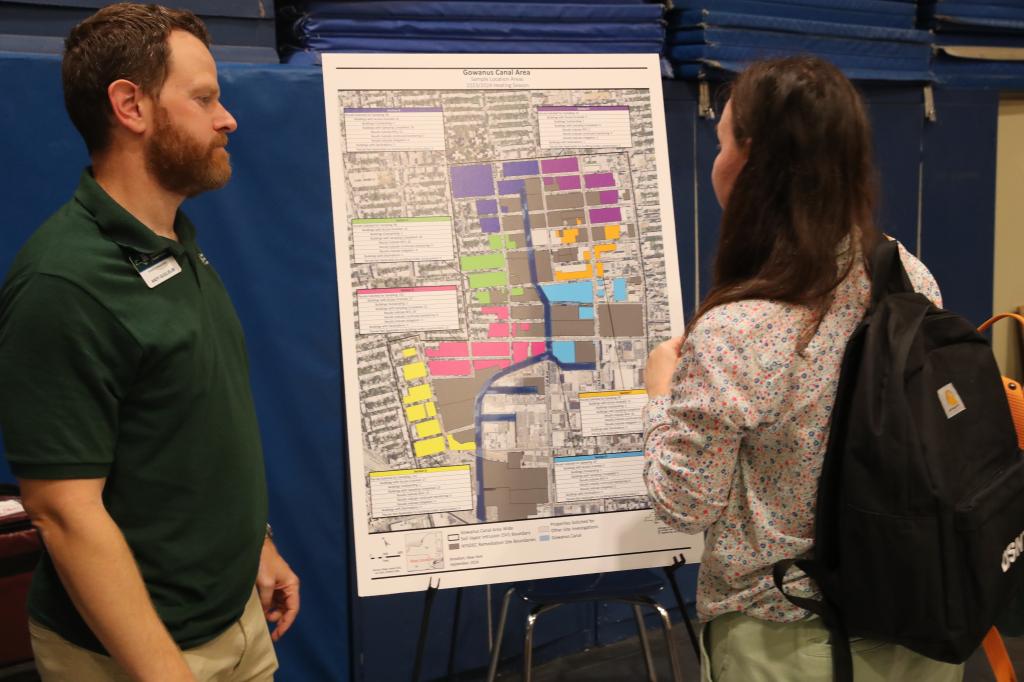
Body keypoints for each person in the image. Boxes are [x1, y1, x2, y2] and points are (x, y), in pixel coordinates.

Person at [0, 4, 299, 680]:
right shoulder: (65, 282)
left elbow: (185, 431)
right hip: (141, 657)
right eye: (204, 98)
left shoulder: (174, 244)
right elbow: (62, 511)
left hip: (235, 621)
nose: (228, 118)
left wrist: (256, 547)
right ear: (130, 106)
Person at [642, 56, 963, 682]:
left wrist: (660, 392)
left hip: (786, 645)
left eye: (721, 141)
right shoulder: (907, 275)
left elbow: (682, 505)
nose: (715, 160)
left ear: (750, 159)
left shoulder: (737, 331)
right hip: (918, 623)